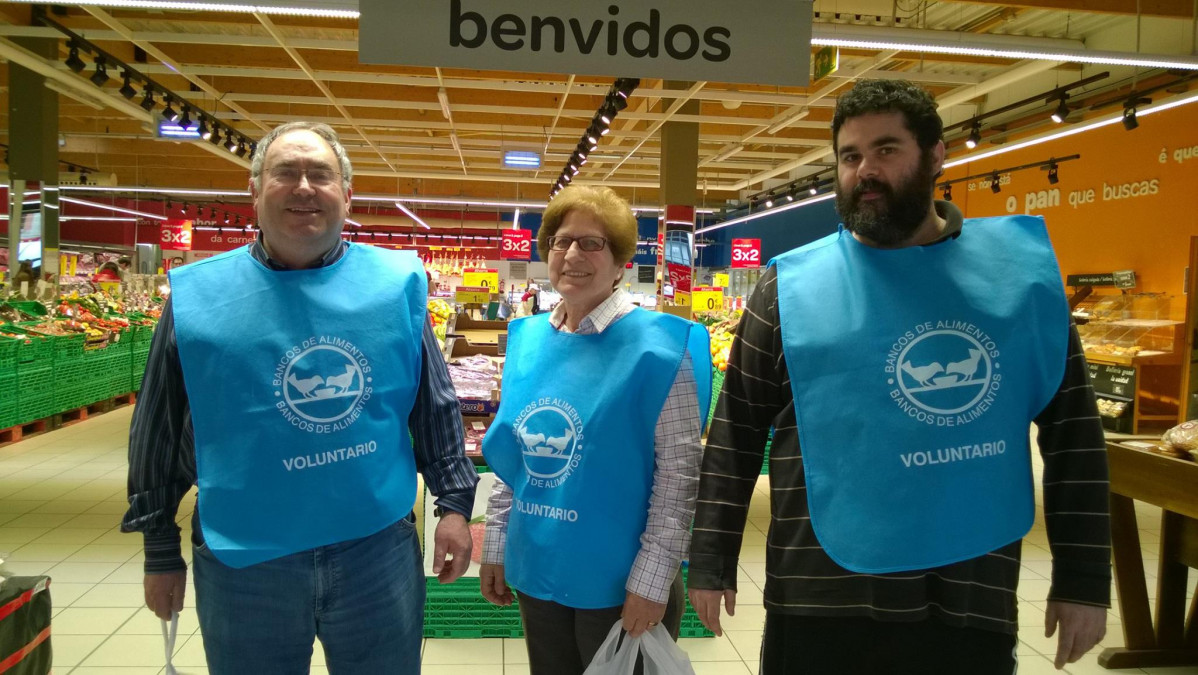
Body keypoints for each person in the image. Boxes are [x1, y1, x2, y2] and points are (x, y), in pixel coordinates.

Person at [688, 79, 1110, 674]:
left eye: (886, 150)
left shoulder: (1019, 282)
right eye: (850, 155)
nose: (865, 170)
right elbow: (734, 435)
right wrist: (710, 560)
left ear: (936, 155)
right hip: (820, 591)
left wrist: (1085, 580)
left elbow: (1074, 436)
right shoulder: (787, 288)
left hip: (968, 586)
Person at [122, 121, 479, 675]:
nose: (305, 187)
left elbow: (433, 405)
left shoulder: (396, 284)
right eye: (286, 172)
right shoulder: (198, 296)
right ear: (255, 190)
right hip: (245, 557)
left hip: (375, 551)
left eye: (321, 174)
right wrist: (159, 546)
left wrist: (453, 504)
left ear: (347, 195)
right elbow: (158, 428)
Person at [479, 185, 712, 675]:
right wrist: (498, 545)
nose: (572, 255)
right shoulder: (527, 342)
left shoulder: (665, 349)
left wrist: (650, 583)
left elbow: (679, 479)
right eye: (561, 242)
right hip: (540, 567)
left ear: (621, 259)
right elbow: (512, 462)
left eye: (592, 243)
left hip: (621, 582)